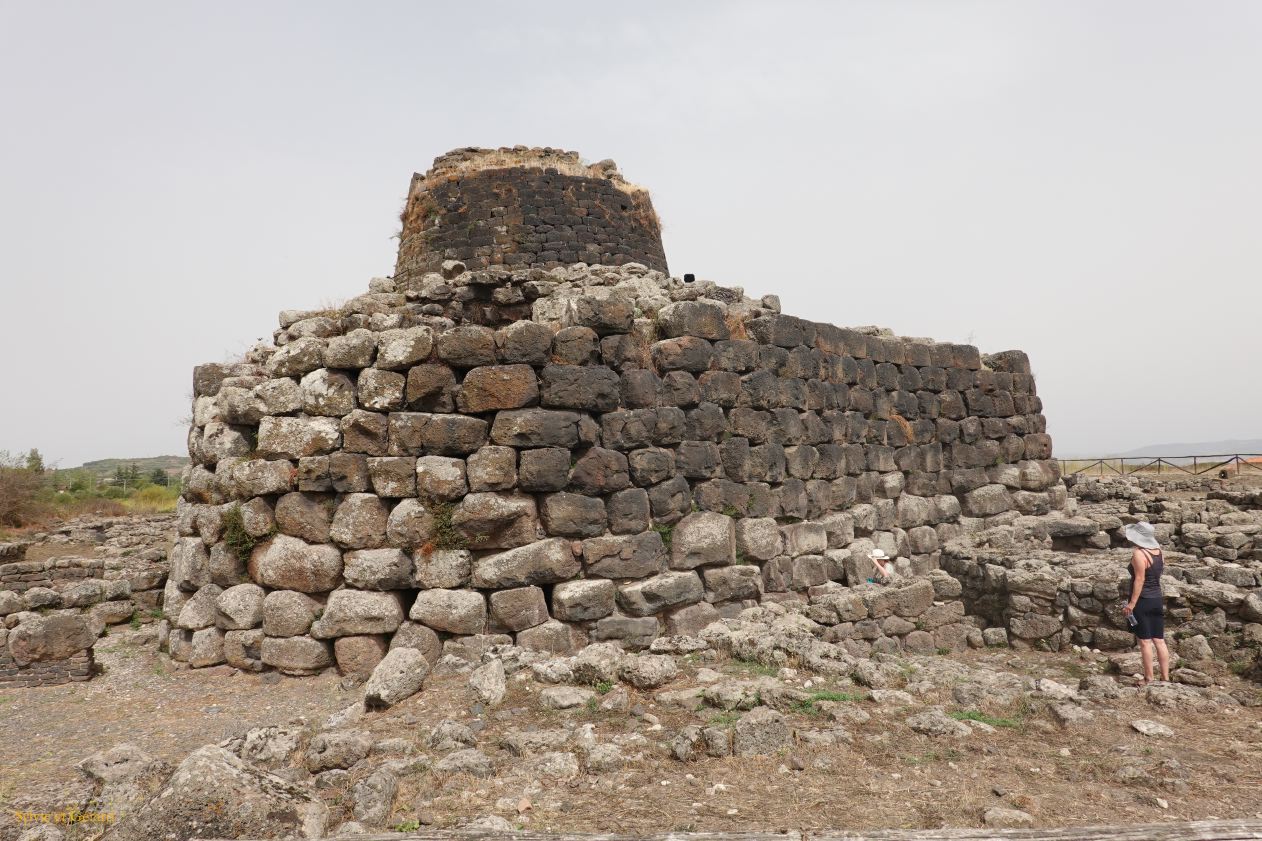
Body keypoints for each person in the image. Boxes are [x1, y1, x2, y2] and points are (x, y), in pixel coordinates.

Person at [1122, 521, 1169, 684]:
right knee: (1159, 640)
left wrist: (1132, 604)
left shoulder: (1139, 554)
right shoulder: (1159, 552)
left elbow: (1140, 579)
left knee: (1145, 641)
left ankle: (1149, 677)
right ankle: (1165, 677)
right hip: (1157, 598)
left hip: (1143, 601)